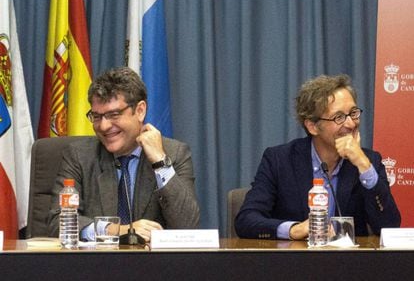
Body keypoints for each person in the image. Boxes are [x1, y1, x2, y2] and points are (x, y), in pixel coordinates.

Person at [235, 74, 400, 240]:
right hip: (295, 262)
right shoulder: (279, 160)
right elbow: (246, 221)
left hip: (349, 263)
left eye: (353, 113)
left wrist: (363, 165)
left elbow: (390, 227)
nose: (351, 123)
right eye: (339, 117)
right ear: (313, 126)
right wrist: (294, 230)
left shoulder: (369, 161)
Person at [47, 67, 200, 242]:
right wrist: (117, 230)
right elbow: (58, 222)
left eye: (114, 114)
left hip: (154, 266)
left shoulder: (174, 153)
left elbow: (188, 226)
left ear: (140, 110)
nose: (104, 126)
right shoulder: (79, 156)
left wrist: (160, 163)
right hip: (96, 266)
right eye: (96, 116)